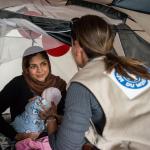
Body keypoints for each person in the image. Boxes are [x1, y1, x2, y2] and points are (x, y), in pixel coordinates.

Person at [45, 15, 150, 150]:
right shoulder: (139, 68)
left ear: (77, 46)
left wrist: (51, 122)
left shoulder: (82, 84)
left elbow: (66, 147)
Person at [0, 46, 66, 143]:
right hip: (26, 143)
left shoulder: (59, 85)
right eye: (33, 66)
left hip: (54, 141)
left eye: (43, 64)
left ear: (49, 64)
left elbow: (69, 117)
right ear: (26, 69)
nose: (40, 70)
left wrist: (53, 116)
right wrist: (15, 135)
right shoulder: (18, 84)